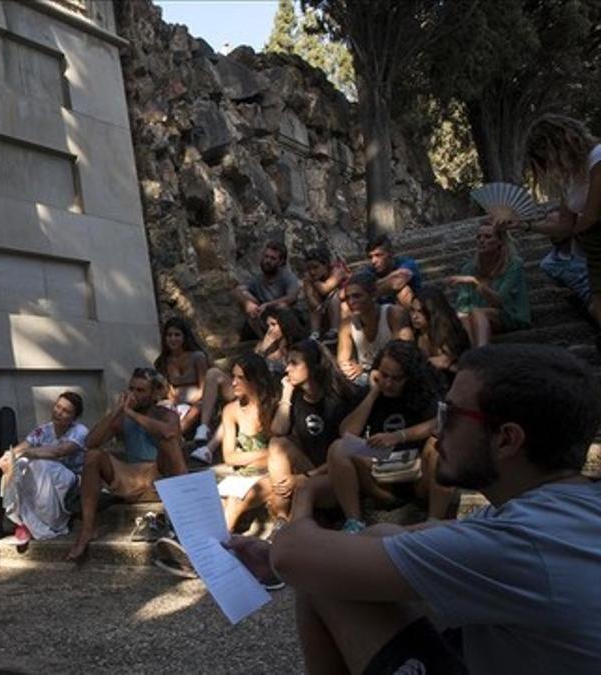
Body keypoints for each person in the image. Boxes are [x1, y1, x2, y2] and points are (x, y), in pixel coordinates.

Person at [225, 343, 601, 675]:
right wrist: (286, 553)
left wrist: (303, 500)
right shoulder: (561, 509)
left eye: (451, 415)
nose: (438, 430)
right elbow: (389, 536)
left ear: (507, 439)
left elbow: (296, 557)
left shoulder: (522, 542)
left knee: (323, 577)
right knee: (336, 566)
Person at [326, 340, 452, 532]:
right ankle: (354, 523)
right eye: (384, 375)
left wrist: (399, 436)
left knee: (439, 445)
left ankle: (434, 522)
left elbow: (440, 423)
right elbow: (347, 433)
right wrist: (374, 392)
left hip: (417, 476)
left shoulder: (424, 392)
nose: (389, 383)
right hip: (381, 478)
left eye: (396, 378)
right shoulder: (374, 391)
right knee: (339, 448)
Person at [66, 369, 186, 561]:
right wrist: (115, 412)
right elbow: (90, 442)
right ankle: (87, 530)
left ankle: (185, 520)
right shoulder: (122, 417)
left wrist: (132, 413)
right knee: (93, 455)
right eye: (131, 389)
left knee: (168, 441)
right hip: (130, 478)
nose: (134, 394)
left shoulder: (167, 415)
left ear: (154, 393)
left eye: (141, 390)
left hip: (160, 479)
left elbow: (170, 434)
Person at [267, 339, 363, 524]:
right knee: (277, 444)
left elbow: (346, 450)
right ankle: (281, 519)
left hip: (338, 475)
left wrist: (304, 477)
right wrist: (286, 394)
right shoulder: (295, 395)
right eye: (288, 363)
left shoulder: (341, 398)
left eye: (295, 363)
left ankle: (294, 532)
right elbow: (278, 430)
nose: (287, 369)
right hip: (311, 468)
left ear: (313, 366)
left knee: (304, 487)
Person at [521, 114, 601, 334]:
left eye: (547, 157)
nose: (550, 166)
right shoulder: (571, 179)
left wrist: (573, 233)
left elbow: (591, 216)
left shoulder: (597, 158)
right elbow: (565, 225)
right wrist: (524, 225)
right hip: (594, 253)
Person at [0, 392, 88, 543]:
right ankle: (19, 519)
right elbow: (24, 446)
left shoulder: (80, 431)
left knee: (41, 464)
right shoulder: (43, 430)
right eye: (58, 407)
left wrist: (25, 453)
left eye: (66, 411)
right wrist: (9, 456)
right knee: (20, 465)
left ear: (74, 417)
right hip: (46, 475)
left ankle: (50, 522)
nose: (59, 412)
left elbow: (59, 451)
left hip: (72, 477)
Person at [215, 354, 281, 531]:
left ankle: (213, 549)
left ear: (255, 380)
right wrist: (266, 454)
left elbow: (282, 453)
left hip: (272, 474)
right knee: (216, 504)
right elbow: (229, 457)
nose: (234, 382)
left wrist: (256, 457)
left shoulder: (274, 406)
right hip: (243, 475)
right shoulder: (231, 410)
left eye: (240, 378)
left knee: (236, 500)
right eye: (233, 376)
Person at [449, 218, 531, 347]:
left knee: (477, 312)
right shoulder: (469, 268)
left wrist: (476, 283)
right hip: (475, 316)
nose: (482, 240)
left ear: (500, 241)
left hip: (509, 315)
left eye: (488, 237)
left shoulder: (514, 265)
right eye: (479, 237)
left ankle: (482, 351)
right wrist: (460, 314)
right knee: (463, 318)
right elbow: (463, 304)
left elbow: (499, 302)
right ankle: (473, 355)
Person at [153, 317, 230, 449]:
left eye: (177, 335)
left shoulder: (197, 357)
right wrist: (173, 401)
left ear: (184, 337)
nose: (173, 339)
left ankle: (175, 435)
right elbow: (169, 390)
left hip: (198, 401)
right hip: (177, 403)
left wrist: (189, 401)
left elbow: (204, 388)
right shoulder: (164, 361)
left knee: (196, 407)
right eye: (169, 335)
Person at [336, 271, 412, 387]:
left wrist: (367, 369)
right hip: (363, 380)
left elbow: (404, 355)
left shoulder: (393, 315)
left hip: (393, 379)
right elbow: (342, 361)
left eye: (357, 296)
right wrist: (348, 368)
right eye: (347, 298)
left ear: (373, 295)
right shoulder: (347, 324)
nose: (351, 302)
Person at [233, 241, 302, 339]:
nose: (268, 261)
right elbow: (238, 290)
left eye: (273, 258)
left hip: (286, 320)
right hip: (265, 319)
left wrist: (268, 305)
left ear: (281, 262)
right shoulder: (258, 279)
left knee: (283, 309)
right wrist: (248, 303)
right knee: (246, 301)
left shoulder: (288, 277)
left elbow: (291, 297)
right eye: (266, 257)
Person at [409, 287, 472, 385]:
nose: (414, 316)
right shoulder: (415, 333)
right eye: (412, 310)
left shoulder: (447, 332)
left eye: (420, 312)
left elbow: (447, 362)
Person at [301, 245, 349, 340]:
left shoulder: (338, 270)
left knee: (334, 295)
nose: (312, 272)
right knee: (314, 294)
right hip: (325, 309)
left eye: (315, 267)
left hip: (344, 304)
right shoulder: (312, 278)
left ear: (326, 264)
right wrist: (314, 302)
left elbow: (325, 289)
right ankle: (315, 333)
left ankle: (334, 330)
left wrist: (312, 281)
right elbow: (310, 297)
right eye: (309, 268)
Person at [366, 234, 422, 309]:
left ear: (391, 254)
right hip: (379, 314)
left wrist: (373, 288)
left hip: (408, 311)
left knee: (404, 292)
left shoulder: (406, 263)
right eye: (370, 257)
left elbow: (400, 278)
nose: (373, 261)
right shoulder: (369, 271)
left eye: (378, 255)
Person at [254, 305, 308, 375]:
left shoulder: (297, 346)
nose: (269, 329)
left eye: (273, 324)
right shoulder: (261, 346)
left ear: (284, 324)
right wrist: (263, 349)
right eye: (268, 326)